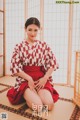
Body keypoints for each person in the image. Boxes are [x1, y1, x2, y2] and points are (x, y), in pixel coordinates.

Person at [7, 17, 59, 111]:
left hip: (40, 79)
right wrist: (29, 79)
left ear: (39, 30)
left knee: (50, 106)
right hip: (25, 78)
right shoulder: (19, 46)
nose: (32, 33)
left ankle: (32, 96)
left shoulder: (43, 45)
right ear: (25, 29)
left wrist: (45, 78)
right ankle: (27, 95)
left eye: (35, 30)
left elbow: (53, 63)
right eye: (30, 30)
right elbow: (15, 67)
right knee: (39, 107)